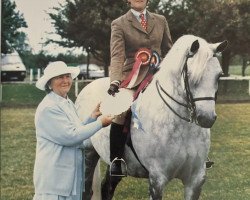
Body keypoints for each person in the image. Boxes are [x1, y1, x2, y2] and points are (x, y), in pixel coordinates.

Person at [107, 0, 173, 176]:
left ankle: (195, 155)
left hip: (159, 75)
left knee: (183, 100)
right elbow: (117, 56)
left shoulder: (161, 20)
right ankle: (116, 160)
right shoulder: (119, 23)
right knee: (121, 110)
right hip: (133, 77)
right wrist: (115, 81)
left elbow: (168, 50)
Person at [33, 61, 113, 200]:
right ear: (50, 83)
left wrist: (92, 117)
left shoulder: (67, 102)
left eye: (67, 76)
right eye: (60, 77)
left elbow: (76, 129)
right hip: (55, 180)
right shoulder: (49, 108)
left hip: (71, 179)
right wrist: (100, 123)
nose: (66, 81)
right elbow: (71, 137)